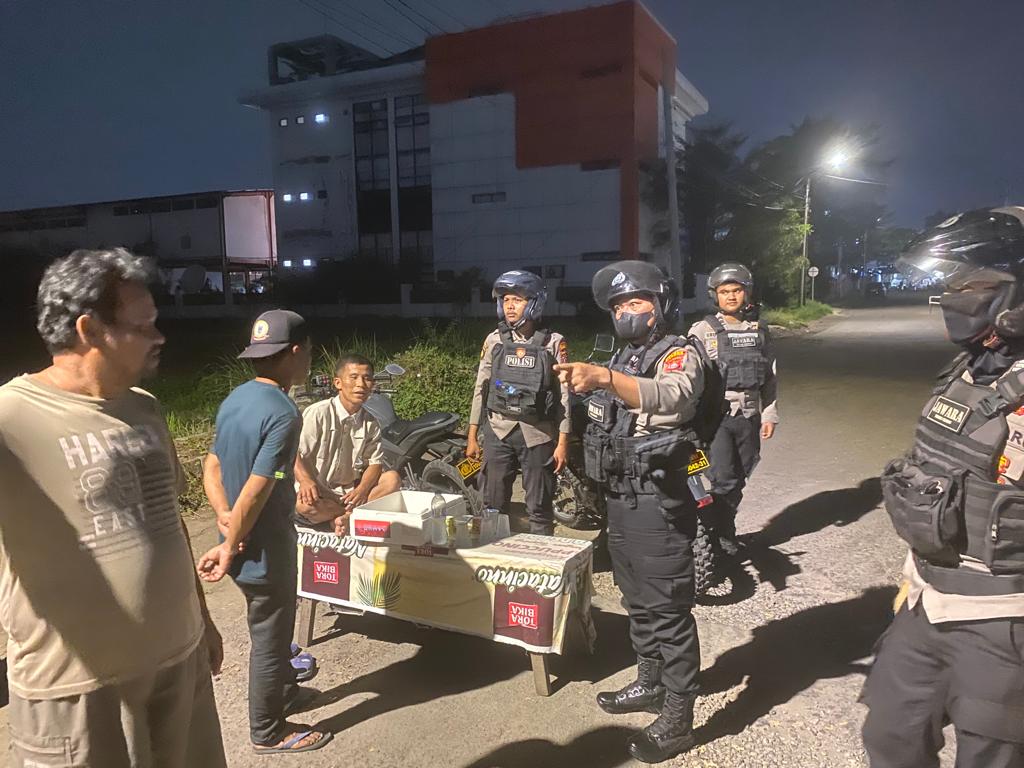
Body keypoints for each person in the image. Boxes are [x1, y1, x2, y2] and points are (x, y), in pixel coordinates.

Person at [0, 248, 226, 767]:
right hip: (78, 690)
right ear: (90, 330)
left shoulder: (144, 408)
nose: (159, 336)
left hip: (181, 663)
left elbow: (169, 523)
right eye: (143, 326)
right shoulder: (11, 419)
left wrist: (205, 620)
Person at [862, 207, 1024, 767]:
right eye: (952, 281)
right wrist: (911, 576)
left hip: (1005, 622)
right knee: (890, 737)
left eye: (971, 282)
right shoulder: (968, 370)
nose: (955, 295)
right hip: (928, 604)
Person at [555, 260, 710, 763]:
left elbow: (674, 397)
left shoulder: (679, 352)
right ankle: (650, 682)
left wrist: (605, 378)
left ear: (662, 305)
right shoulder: (625, 354)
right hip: (621, 497)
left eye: (636, 302)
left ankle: (679, 718)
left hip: (659, 500)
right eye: (619, 305)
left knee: (667, 608)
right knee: (636, 599)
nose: (626, 311)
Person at [196, 309, 333, 755]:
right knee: (271, 640)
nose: (309, 358)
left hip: (240, 537)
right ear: (294, 351)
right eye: (308, 351)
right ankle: (268, 730)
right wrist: (231, 543)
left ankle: (285, 692)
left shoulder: (235, 399)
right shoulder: (285, 413)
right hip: (263, 548)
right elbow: (260, 486)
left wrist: (223, 517)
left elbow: (212, 468)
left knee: (271, 630)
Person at [466, 270, 570, 536]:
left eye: (517, 299)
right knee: (492, 505)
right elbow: (481, 388)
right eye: (505, 299)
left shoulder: (553, 342)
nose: (509, 305)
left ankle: (541, 557)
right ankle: (493, 553)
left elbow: (564, 395)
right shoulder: (494, 340)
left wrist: (562, 442)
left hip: (537, 434)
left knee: (539, 508)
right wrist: (472, 435)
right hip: (498, 431)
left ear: (534, 303)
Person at [687, 263, 778, 556]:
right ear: (715, 295)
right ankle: (719, 536)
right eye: (724, 291)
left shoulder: (759, 331)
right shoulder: (702, 331)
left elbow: (770, 376)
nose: (730, 296)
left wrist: (769, 414)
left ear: (746, 293)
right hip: (717, 419)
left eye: (736, 290)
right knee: (722, 479)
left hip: (749, 417)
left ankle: (719, 529)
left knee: (740, 477)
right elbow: (688, 378)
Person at [294, 353, 401, 533]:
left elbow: (375, 463)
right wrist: (305, 481)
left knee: (392, 479)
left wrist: (362, 490)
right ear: (338, 383)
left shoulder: (371, 422)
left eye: (367, 378)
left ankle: (342, 516)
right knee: (305, 506)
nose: (361, 384)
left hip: (349, 493)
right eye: (354, 377)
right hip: (318, 492)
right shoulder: (318, 413)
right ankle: (348, 516)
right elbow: (294, 452)